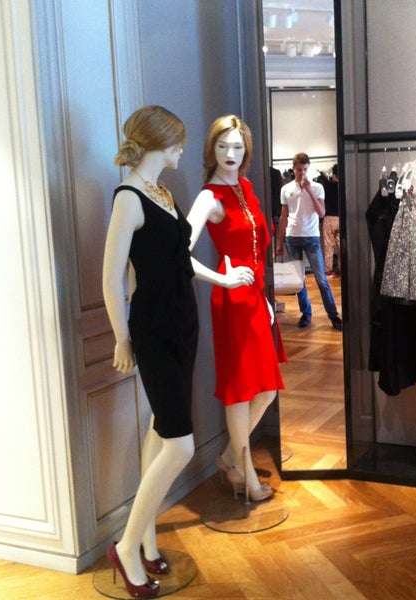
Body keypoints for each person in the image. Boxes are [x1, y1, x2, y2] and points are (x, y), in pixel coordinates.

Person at [102, 106, 254, 598]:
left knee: (160, 431)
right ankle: (127, 547)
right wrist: (122, 338)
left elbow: (179, 262)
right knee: (181, 445)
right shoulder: (129, 198)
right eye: (178, 142)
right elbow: (111, 278)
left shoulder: (162, 194)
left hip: (182, 325)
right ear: (157, 142)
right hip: (154, 331)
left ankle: (146, 542)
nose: (184, 149)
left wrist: (223, 280)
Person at [187, 114, 286, 503]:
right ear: (211, 149)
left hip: (255, 298)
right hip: (232, 302)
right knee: (241, 392)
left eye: (237, 146)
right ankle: (246, 475)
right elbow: (179, 252)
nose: (230, 153)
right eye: (223, 145)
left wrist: (263, 297)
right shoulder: (209, 197)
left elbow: (257, 248)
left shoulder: (245, 188)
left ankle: (230, 458)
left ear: (247, 150)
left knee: (266, 391)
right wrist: (222, 279)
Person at [277, 152, 343, 330]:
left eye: (305, 169)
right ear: (293, 169)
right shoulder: (286, 189)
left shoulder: (317, 187)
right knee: (299, 280)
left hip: (312, 237)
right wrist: (279, 244)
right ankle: (305, 314)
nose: (302, 173)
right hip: (292, 237)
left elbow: (322, 213)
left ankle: (333, 316)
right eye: (299, 169)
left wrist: (309, 190)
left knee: (321, 279)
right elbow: (283, 216)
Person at [321, 163, 341, 275]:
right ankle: (342, 269)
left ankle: (328, 270)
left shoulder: (327, 186)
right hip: (341, 218)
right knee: (341, 246)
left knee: (328, 245)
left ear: (334, 175)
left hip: (329, 217)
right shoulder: (343, 187)